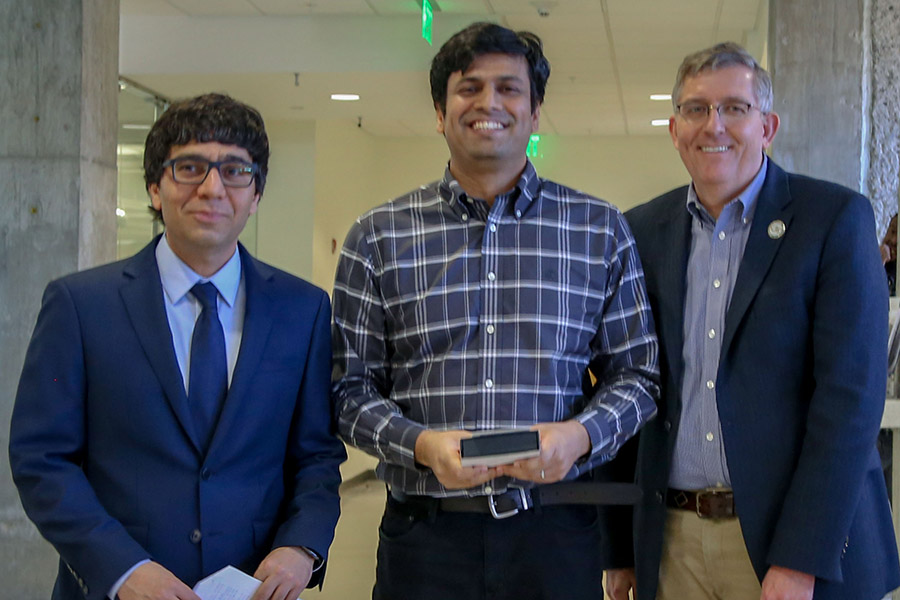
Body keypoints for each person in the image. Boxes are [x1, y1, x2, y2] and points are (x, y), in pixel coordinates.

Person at [331, 22, 659, 600]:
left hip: (554, 534)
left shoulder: (598, 230)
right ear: (440, 111)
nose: (489, 103)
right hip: (424, 538)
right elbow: (346, 391)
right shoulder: (378, 237)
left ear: (535, 112)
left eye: (509, 88)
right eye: (469, 87)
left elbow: (639, 376)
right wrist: (421, 445)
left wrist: (579, 436)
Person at [9, 93, 345, 600]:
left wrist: (301, 548)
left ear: (256, 195)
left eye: (235, 171)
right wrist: (123, 570)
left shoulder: (303, 310)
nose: (212, 189)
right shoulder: (81, 305)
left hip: (252, 589)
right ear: (154, 186)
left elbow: (316, 457)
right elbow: (42, 460)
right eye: (189, 167)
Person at [600, 42, 900, 600]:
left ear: (768, 126)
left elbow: (850, 400)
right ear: (674, 129)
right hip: (672, 543)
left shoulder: (832, 219)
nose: (714, 125)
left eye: (734, 107)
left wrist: (800, 558)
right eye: (696, 109)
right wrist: (620, 548)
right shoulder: (637, 231)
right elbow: (626, 389)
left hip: (786, 547)